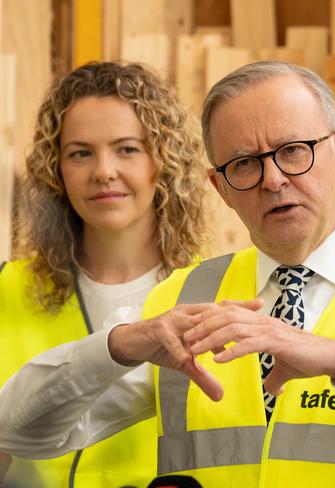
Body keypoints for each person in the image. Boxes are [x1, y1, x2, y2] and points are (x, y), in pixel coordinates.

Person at [0, 62, 335, 487]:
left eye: (294, 151)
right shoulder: (183, 301)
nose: (272, 179)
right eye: (244, 163)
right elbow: (21, 432)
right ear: (220, 188)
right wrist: (117, 345)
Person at [0, 61, 206, 487]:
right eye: (80, 153)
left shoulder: (208, 293)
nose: (103, 171)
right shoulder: (7, 289)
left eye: (127, 148)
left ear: (162, 160)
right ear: (56, 169)